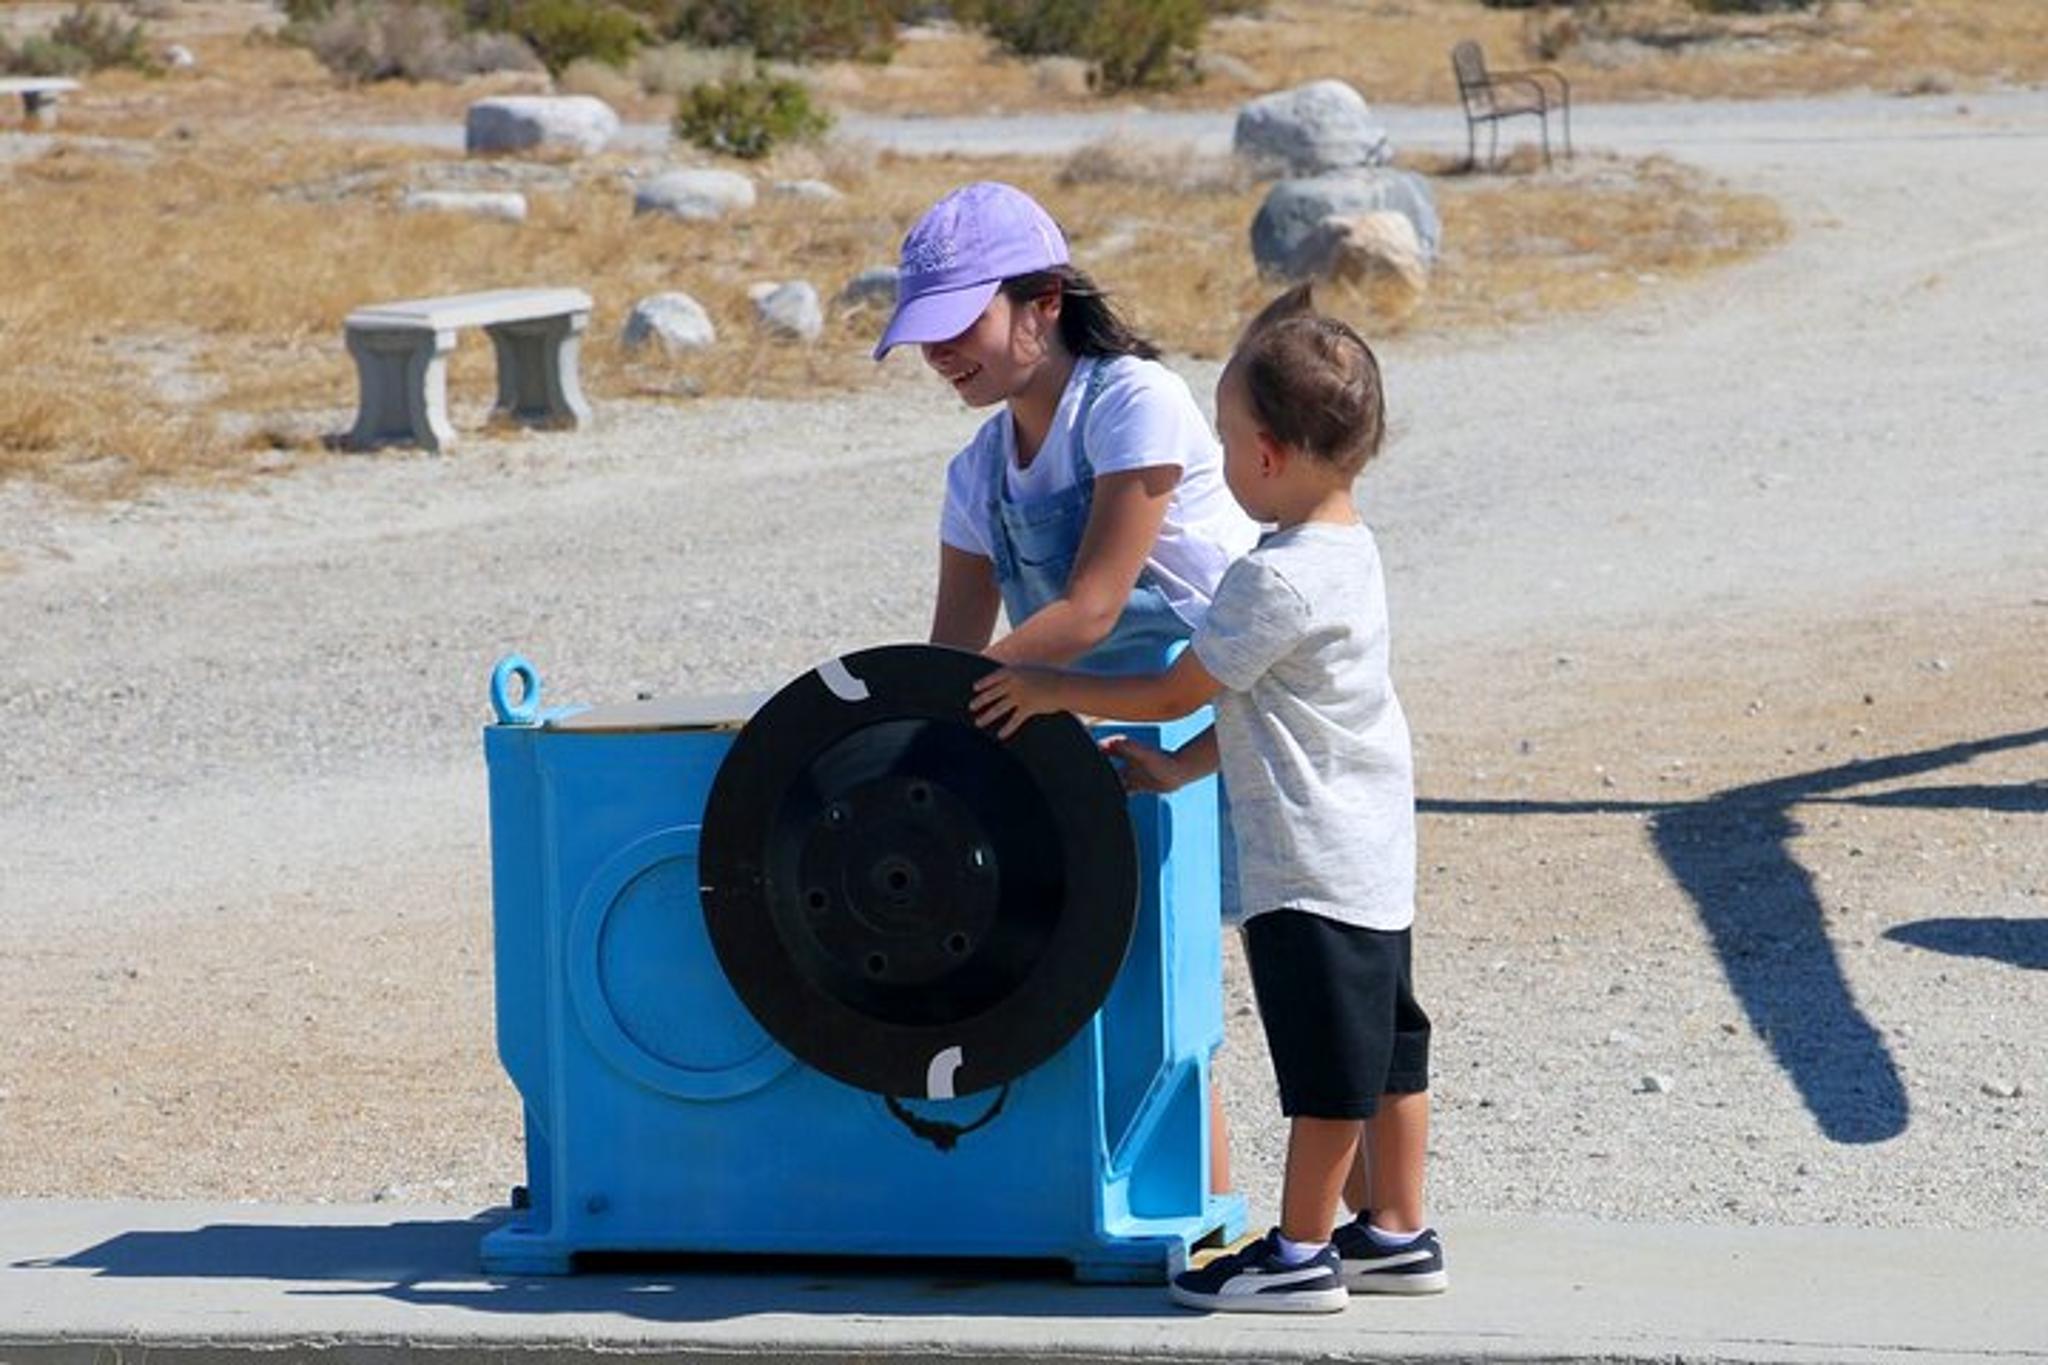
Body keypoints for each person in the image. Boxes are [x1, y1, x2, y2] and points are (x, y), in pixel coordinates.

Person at [970, 285, 1446, 1313]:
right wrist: (1179, 769)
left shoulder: (1269, 579)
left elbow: (1181, 687)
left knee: (1325, 1078)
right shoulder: (1349, 555)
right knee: (1391, 1052)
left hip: (1303, 870)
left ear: (1267, 456)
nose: (1217, 466)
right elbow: (1266, 714)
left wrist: (1054, 689)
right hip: (1368, 856)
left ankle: (1300, 1253)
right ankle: (1398, 1230)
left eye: (1223, 442)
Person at [875, 180, 1258, 1194]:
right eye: (925, 336)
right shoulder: (977, 468)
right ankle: (1195, 1218)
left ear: (1042, 300)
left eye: (960, 323)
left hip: (1216, 725)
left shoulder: (1132, 402)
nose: (941, 355)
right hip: (1098, 738)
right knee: (1131, 991)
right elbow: (955, 646)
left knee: (1244, 992)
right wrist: (903, 724)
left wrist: (911, 712)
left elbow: (1090, 608)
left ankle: (1336, 1233)